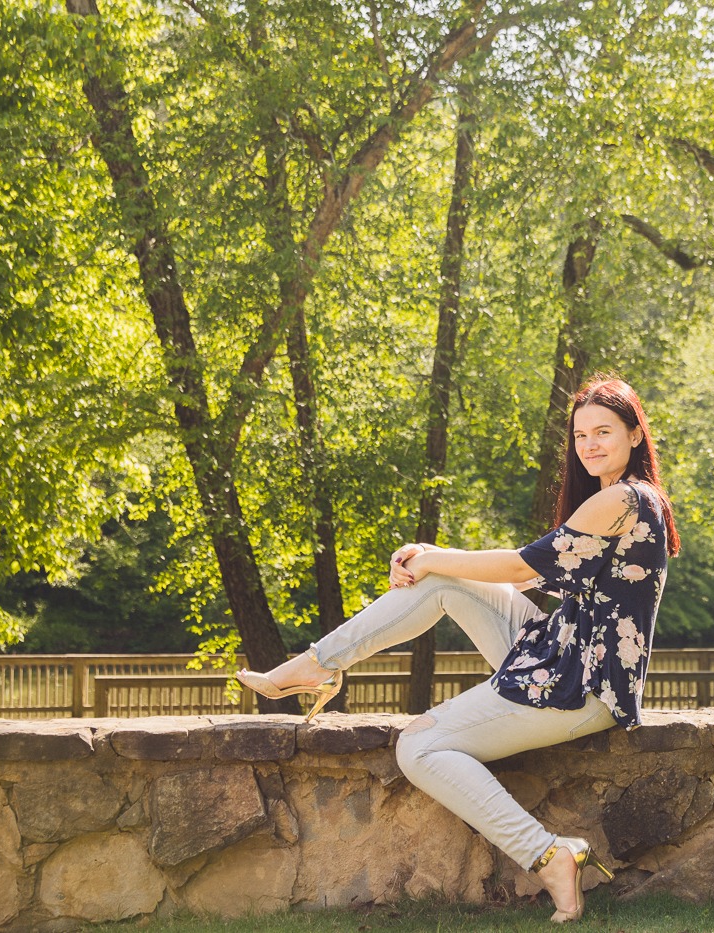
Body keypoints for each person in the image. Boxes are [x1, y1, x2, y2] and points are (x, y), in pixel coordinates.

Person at [235, 375, 680, 923]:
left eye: (603, 431)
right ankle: (316, 667)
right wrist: (433, 558)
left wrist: (435, 555)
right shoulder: (623, 499)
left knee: (418, 749)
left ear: (636, 435)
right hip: (558, 649)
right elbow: (529, 581)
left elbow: (520, 565)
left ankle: (549, 855)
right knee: (441, 582)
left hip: (581, 683)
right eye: (580, 434)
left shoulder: (623, 499)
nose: (588, 444)